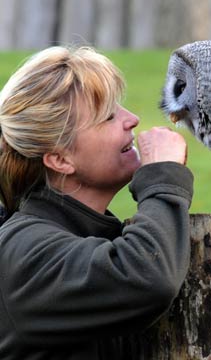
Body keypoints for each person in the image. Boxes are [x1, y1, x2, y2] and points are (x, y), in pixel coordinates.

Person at [0, 46, 194, 359]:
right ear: (60, 159)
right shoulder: (21, 251)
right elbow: (149, 278)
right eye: (107, 116)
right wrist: (163, 179)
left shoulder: (82, 235)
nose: (132, 119)